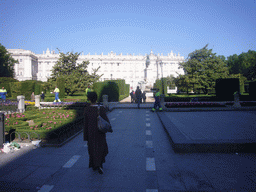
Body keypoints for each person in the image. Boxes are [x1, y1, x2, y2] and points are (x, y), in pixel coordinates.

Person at [83, 92, 110, 174]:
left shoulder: (87, 109)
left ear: (89, 99)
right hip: (100, 131)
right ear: (96, 98)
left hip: (91, 132)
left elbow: (85, 124)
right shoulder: (101, 108)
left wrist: (85, 136)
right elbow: (106, 120)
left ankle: (95, 165)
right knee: (101, 147)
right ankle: (100, 164)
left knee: (92, 148)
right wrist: (109, 128)